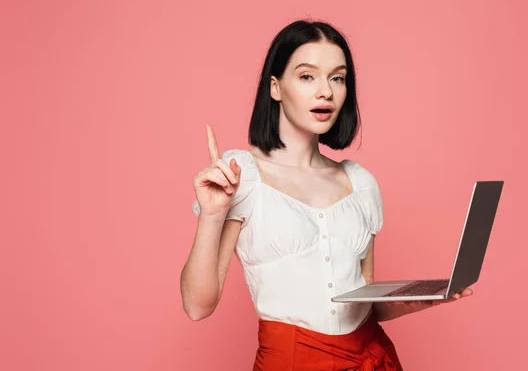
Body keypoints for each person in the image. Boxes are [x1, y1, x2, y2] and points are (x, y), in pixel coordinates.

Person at [180, 19, 472, 370]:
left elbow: (363, 302)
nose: (326, 92)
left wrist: (424, 299)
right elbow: (198, 307)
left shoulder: (359, 182)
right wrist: (212, 214)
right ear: (275, 87)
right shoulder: (242, 176)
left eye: (338, 77)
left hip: (373, 357)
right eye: (307, 76)